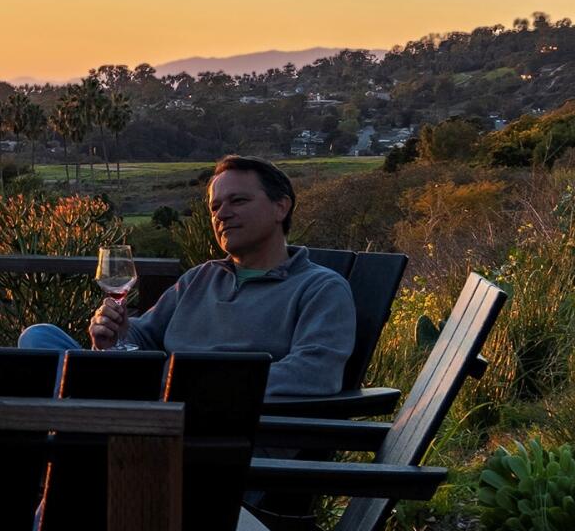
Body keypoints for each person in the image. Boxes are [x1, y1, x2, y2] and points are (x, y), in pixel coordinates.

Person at [19, 155, 356, 399]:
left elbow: (315, 373)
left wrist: (190, 383)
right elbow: (144, 336)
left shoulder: (319, 288)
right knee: (39, 338)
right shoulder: (200, 279)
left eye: (238, 201)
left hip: (216, 434)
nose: (222, 214)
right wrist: (117, 333)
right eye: (215, 207)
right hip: (152, 403)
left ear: (281, 207)